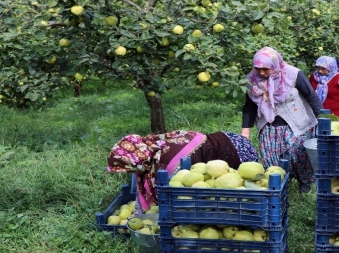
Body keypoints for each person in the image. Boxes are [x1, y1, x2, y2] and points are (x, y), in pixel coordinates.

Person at [107, 131, 259, 212]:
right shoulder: (154, 145)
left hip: (233, 152)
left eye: (127, 168)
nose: (128, 172)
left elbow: (176, 196)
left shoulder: (169, 164)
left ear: (136, 160)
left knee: (240, 191)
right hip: (227, 137)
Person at [241, 47, 322, 193]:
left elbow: (311, 96)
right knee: (271, 159)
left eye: (265, 69)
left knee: (298, 155)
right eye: (257, 68)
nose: (261, 73)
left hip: (297, 123)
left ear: (274, 64)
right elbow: (249, 107)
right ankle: (279, 187)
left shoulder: (293, 74)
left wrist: (324, 120)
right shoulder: (251, 80)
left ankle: (304, 183)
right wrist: (245, 133)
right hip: (268, 125)